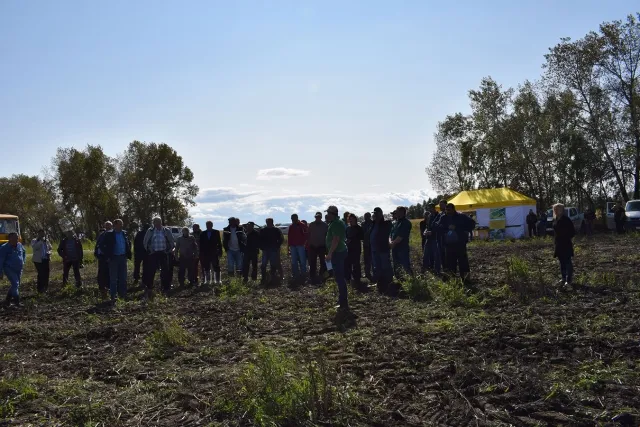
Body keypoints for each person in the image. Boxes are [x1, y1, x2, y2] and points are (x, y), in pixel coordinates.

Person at [435, 204, 476, 280]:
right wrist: (446, 229)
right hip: (448, 244)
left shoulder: (461, 216)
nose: (447, 211)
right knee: (449, 263)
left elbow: (472, 224)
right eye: (446, 210)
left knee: (463, 262)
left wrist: (457, 228)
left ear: (454, 209)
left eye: (449, 210)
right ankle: (451, 280)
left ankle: (466, 279)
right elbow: (438, 228)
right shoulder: (443, 218)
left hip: (460, 243)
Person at [143, 217, 176, 298]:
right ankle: (149, 287)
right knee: (151, 271)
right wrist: (149, 250)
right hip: (153, 253)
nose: (157, 223)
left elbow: (172, 241)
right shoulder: (150, 231)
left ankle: (165, 287)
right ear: (153, 223)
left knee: (165, 271)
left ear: (161, 222)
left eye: (159, 222)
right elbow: (145, 242)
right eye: (155, 222)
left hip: (164, 253)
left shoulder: (166, 230)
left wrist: (169, 250)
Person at [325, 206, 349, 311]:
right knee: (339, 277)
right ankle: (342, 300)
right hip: (337, 252)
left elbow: (336, 240)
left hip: (337, 253)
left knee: (339, 278)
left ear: (332, 214)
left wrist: (330, 254)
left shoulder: (336, 224)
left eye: (328, 213)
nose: (327, 215)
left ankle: (343, 302)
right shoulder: (335, 223)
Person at [101, 219, 132, 302]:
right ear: (115, 225)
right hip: (113, 258)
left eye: (122, 224)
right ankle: (113, 295)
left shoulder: (124, 233)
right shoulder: (109, 234)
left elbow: (128, 243)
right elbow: (101, 245)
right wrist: (107, 256)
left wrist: (128, 253)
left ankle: (123, 294)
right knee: (113, 278)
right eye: (120, 224)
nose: (121, 225)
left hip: (123, 257)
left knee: (123, 277)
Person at [370, 207, 393, 294]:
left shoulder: (386, 223)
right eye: (374, 214)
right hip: (374, 249)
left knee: (385, 266)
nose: (374, 215)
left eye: (376, 214)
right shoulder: (373, 223)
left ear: (381, 214)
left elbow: (389, 235)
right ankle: (380, 283)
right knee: (377, 267)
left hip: (383, 249)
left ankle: (389, 283)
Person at [0, 233, 26, 306]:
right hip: (9, 268)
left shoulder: (19, 245)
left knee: (16, 285)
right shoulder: (4, 248)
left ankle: (7, 301)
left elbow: (24, 252)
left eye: (17, 238)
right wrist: (0, 272)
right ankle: (17, 302)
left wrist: (23, 261)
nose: (16, 239)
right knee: (15, 284)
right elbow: (1, 260)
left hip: (19, 268)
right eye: (14, 238)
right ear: (9, 239)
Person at [553, 203, 576, 285]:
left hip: (566, 244)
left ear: (562, 210)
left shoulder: (566, 220)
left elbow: (572, 232)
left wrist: (565, 236)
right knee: (561, 262)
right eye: (555, 209)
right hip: (558, 244)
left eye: (558, 209)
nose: (556, 211)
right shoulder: (555, 220)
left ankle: (568, 280)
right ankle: (563, 278)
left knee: (567, 262)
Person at [259, 218, 284, 284]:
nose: (269, 223)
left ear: (272, 222)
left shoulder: (276, 230)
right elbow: (260, 239)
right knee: (263, 264)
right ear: (266, 222)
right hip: (265, 249)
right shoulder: (263, 230)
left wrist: (277, 246)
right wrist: (261, 247)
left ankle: (273, 278)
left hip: (273, 249)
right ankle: (263, 278)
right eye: (268, 222)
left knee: (273, 264)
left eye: (270, 222)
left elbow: (281, 238)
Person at [390, 206, 412, 278]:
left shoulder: (406, 223)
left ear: (402, 212)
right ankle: (399, 279)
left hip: (402, 248)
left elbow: (401, 236)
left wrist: (393, 243)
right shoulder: (395, 222)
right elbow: (391, 234)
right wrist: (390, 242)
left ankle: (411, 280)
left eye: (397, 211)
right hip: (394, 247)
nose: (395, 213)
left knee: (405, 265)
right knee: (395, 265)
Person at [199, 220, 223, 285]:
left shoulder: (216, 232)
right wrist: (201, 253)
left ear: (212, 225)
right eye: (207, 225)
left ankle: (218, 281)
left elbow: (219, 242)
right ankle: (207, 281)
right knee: (206, 267)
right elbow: (201, 244)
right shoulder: (203, 233)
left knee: (216, 266)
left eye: (210, 225)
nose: (208, 226)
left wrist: (220, 251)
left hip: (214, 252)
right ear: (206, 226)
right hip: (205, 253)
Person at [307, 212, 328, 284]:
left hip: (322, 246)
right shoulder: (311, 224)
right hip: (313, 246)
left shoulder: (325, 225)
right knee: (312, 262)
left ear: (321, 217)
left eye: (319, 217)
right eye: (316, 217)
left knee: (323, 262)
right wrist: (309, 243)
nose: (317, 218)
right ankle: (312, 276)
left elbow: (327, 235)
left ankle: (322, 276)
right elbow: (308, 234)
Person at [345, 213, 364, 287]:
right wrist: (347, 241)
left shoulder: (359, 228)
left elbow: (362, 237)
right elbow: (346, 237)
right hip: (348, 248)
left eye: (352, 219)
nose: (351, 220)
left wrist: (353, 239)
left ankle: (357, 279)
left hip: (356, 248)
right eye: (349, 219)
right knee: (348, 264)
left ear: (355, 219)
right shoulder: (347, 228)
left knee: (356, 264)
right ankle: (348, 279)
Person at [287, 214, 308, 280]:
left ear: (297, 218)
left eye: (294, 218)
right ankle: (296, 275)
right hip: (292, 246)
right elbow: (289, 237)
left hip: (300, 245)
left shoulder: (302, 225)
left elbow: (306, 235)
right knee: (294, 261)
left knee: (302, 260)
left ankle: (303, 274)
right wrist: (288, 247)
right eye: (292, 218)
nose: (293, 219)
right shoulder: (291, 226)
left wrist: (303, 242)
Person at [94, 223, 112, 299]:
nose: (108, 227)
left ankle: (109, 289)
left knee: (109, 274)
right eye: (106, 226)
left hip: (110, 257)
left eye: (109, 226)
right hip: (103, 257)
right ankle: (103, 290)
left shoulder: (113, 234)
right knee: (102, 274)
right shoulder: (102, 235)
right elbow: (98, 246)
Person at [421, 209, 441, 275]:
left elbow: (439, 228)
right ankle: (424, 269)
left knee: (436, 255)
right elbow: (427, 227)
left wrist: (432, 232)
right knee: (425, 254)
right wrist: (425, 231)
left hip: (435, 239)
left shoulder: (439, 217)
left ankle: (437, 270)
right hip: (428, 239)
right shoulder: (430, 217)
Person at [361, 212, 374, 281]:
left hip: (372, 243)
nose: (365, 217)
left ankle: (374, 273)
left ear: (369, 216)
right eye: (365, 216)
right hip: (365, 243)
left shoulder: (373, 223)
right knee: (366, 259)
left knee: (373, 259)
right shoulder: (363, 223)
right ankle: (367, 273)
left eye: (367, 216)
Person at [435, 200, 448, 265]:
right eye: (440, 205)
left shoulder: (448, 213)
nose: (440, 206)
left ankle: (448, 267)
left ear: (446, 205)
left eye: (442, 205)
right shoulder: (440, 214)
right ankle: (444, 267)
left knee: (447, 252)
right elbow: (435, 223)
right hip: (440, 236)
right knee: (441, 252)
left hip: (447, 236)